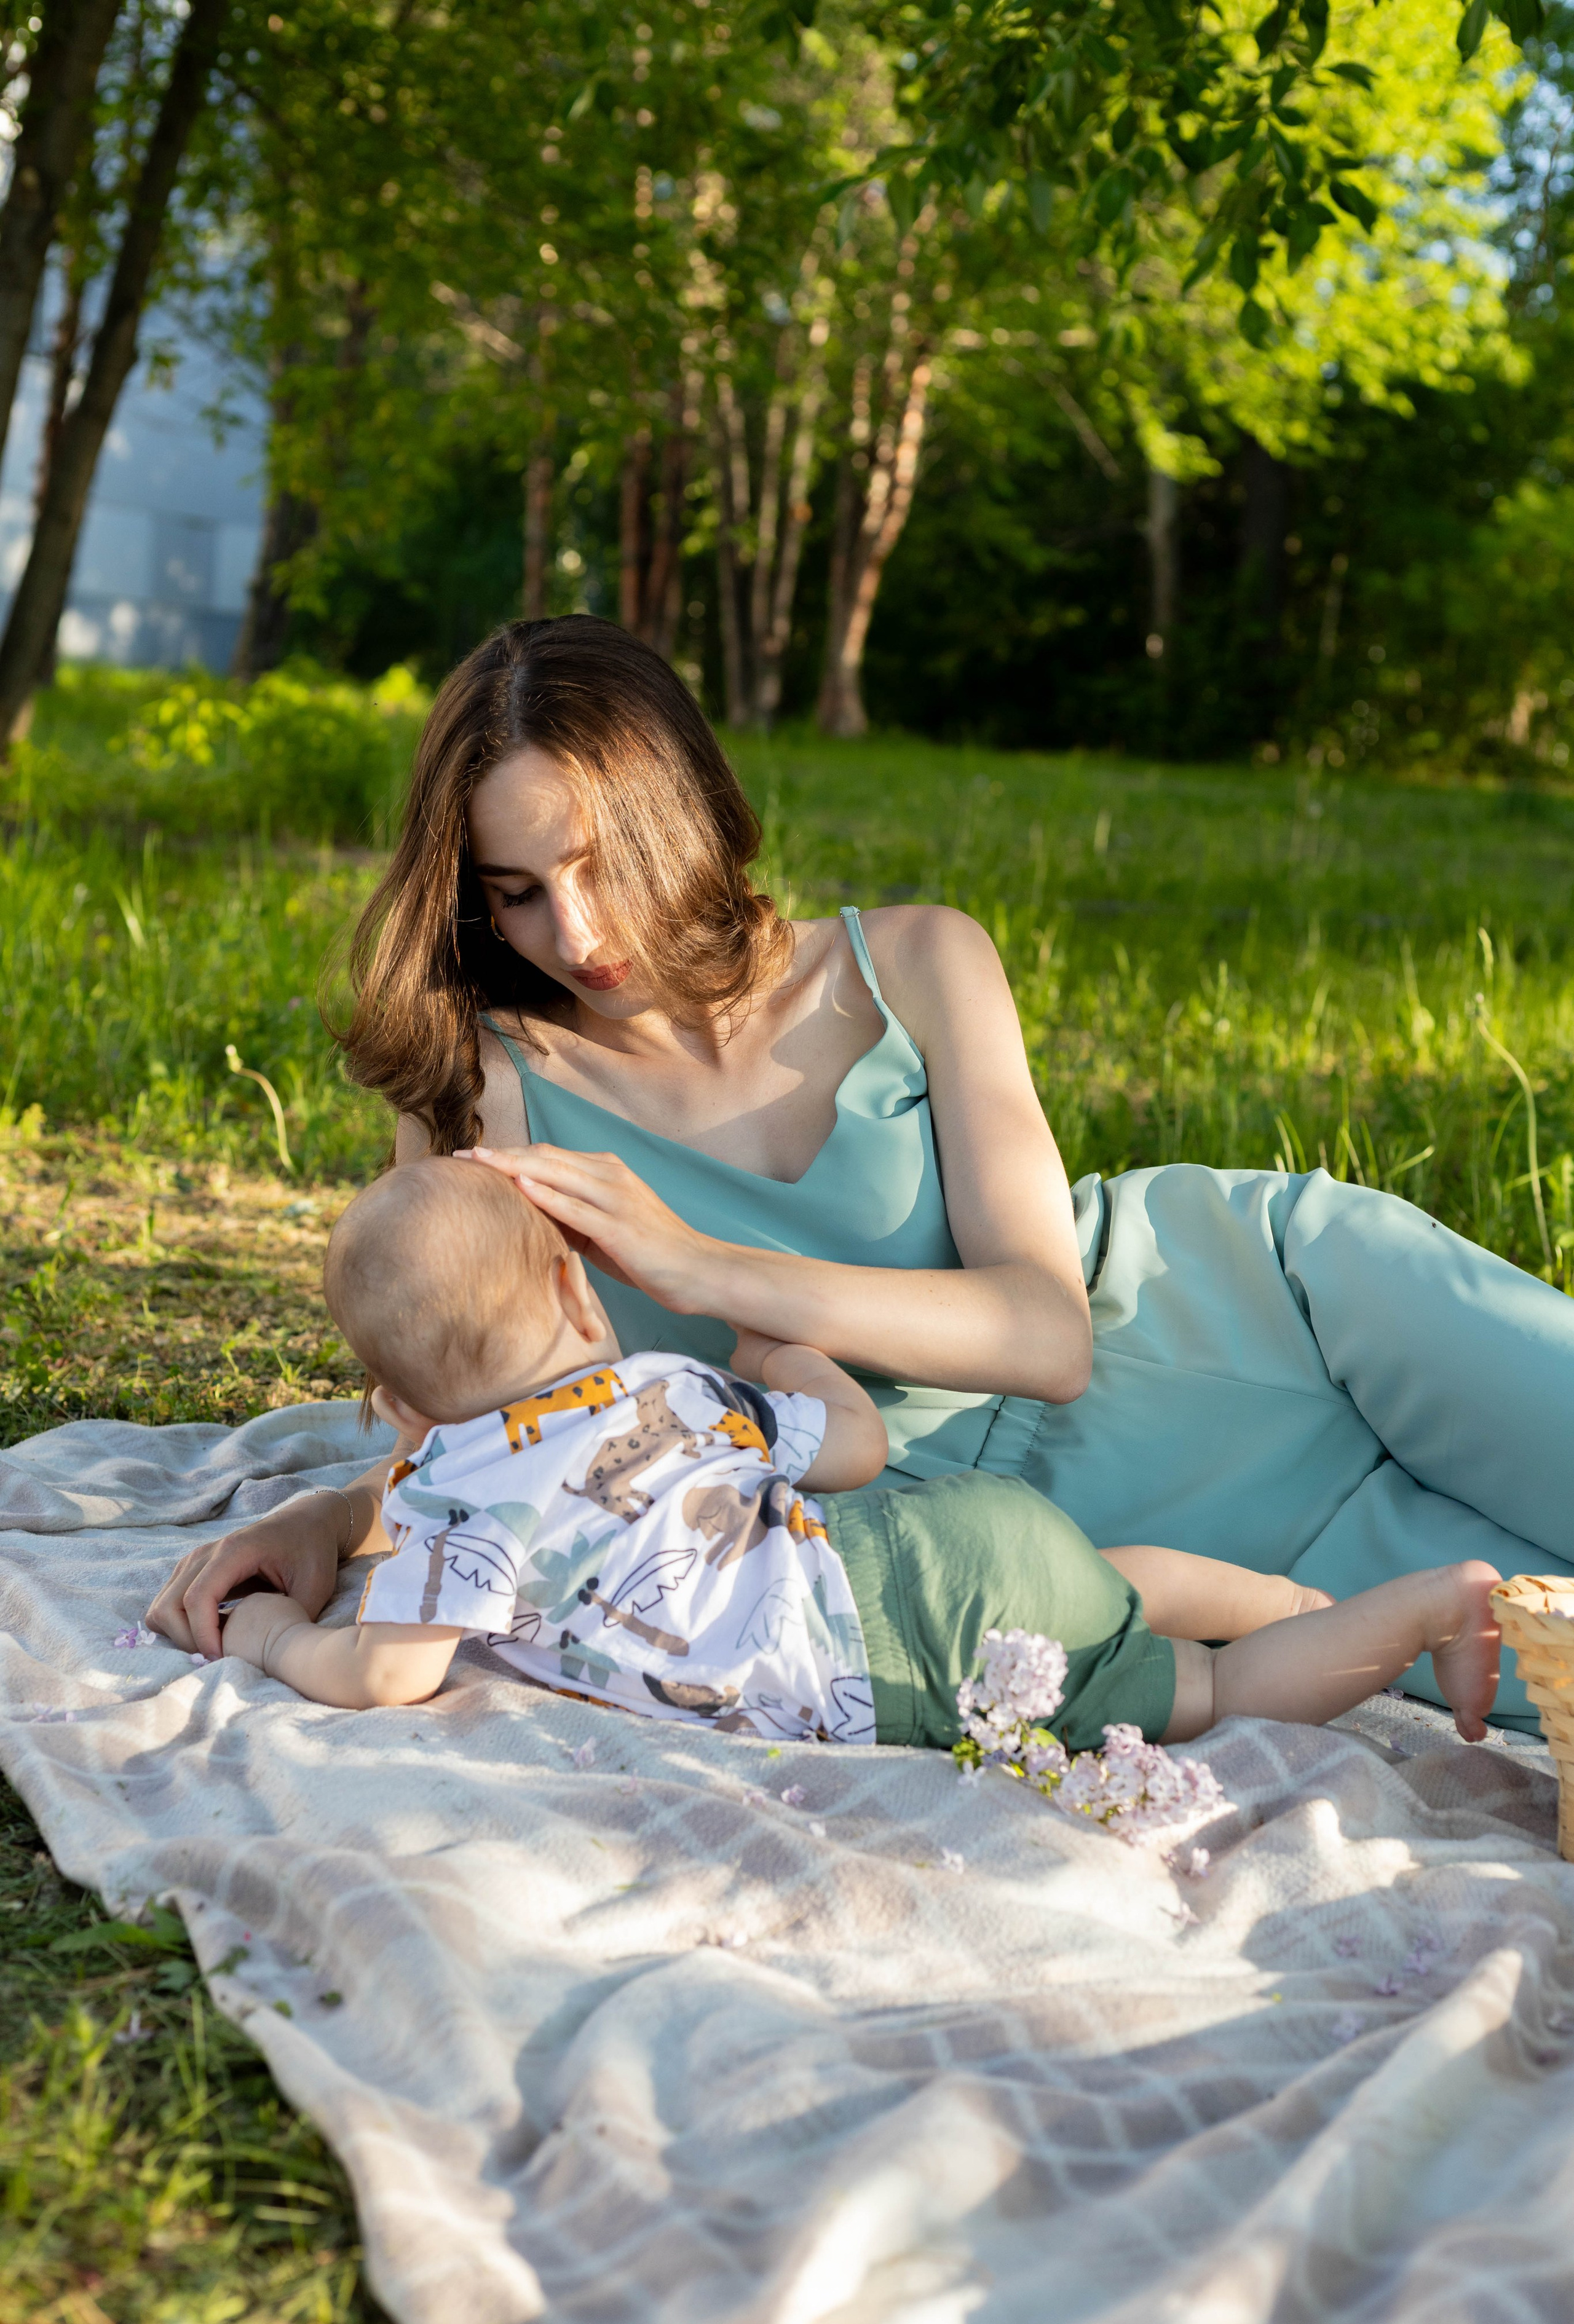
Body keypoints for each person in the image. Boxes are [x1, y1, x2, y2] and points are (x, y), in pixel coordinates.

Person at [149, 616, 1574, 1730]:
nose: (571, 932)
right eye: (513, 890)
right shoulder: (484, 1090)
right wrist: (325, 1517)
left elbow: (1047, 1332)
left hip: (1255, 1308)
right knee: (1521, 1659)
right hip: (1007, 1549)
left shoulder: (916, 959)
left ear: (686, 807)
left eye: (595, 862)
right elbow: (478, 1429)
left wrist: (710, 1271)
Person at [210, 1159, 1503, 1756]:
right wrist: (780, 1360)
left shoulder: (453, 1494)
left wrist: (275, 1641)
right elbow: (855, 1445)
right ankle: (1288, 1601)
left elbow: (387, 1677)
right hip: (941, 1534)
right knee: (1106, 1581)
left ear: (393, 1402)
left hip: (895, 1665)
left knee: (1210, 1698)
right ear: (577, 1294)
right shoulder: (665, 1388)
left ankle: (1407, 1616)